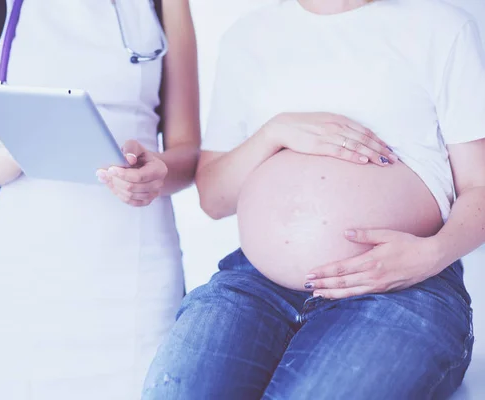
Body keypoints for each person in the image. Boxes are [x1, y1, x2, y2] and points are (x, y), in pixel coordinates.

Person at [143, 0, 485, 398]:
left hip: (399, 284)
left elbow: (480, 186)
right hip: (258, 284)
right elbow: (213, 197)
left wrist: (430, 255)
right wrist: (274, 132)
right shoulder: (248, 37)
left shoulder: (441, 27)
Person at [0, 0, 199, 398]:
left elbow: (188, 153)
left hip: (137, 272)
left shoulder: (165, 4)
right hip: (25, 279)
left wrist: (158, 172)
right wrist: (23, 149)